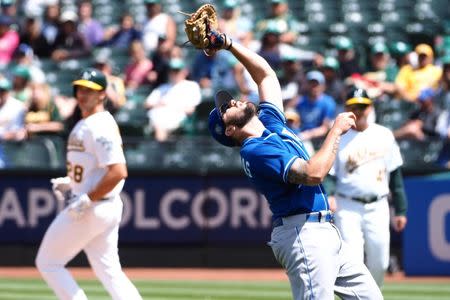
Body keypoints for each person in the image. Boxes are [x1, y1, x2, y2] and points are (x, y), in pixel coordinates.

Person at [205, 27, 382, 299]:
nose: (234, 101)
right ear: (229, 130)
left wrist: (229, 44)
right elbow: (313, 174)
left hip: (324, 229)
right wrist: (334, 132)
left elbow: (264, 74)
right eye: (227, 108)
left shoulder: (270, 124)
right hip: (304, 233)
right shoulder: (256, 151)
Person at [35, 68, 143, 300]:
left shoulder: (99, 125)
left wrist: (87, 197)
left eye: (90, 90)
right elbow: (96, 167)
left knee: (48, 262)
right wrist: (73, 183)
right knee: (109, 271)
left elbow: (118, 171)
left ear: (103, 94)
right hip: (101, 205)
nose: (83, 94)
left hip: (93, 207)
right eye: (80, 89)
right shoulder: (88, 123)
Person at [329, 88, 408, 287]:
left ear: (370, 107)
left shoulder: (383, 134)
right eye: (354, 106)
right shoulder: (338, 136)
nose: (359, 110)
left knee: (380, 262)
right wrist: (329, 194)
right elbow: (328, 173)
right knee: (352, 261)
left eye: (363, 106)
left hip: (378, 205)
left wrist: (401, 209)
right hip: (348, 206)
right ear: (346, 109)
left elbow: (396, 175)